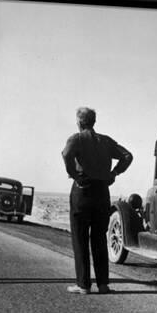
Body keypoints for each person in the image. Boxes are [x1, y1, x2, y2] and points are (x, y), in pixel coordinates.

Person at [61, 107, 133, 294]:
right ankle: (103, 284)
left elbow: (66, 154)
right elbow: (127, 156)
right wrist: (114, 172)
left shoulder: (76, 139)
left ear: (79, 122)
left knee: (80, 238)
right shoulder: (106, 141)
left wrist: (74, 174)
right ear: (94, 122)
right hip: (102, 192)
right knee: (99, 238)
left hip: (82, 191)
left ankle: (83, 285)